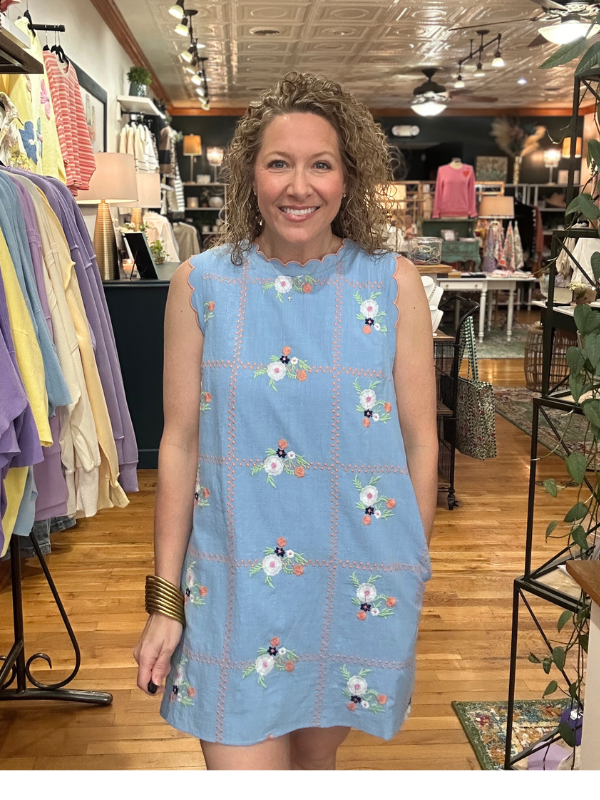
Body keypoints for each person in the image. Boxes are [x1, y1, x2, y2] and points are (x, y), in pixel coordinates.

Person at [134, 72, 437, 771]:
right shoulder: (202, 284)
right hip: (232, 584)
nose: (298, 187)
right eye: (279, 163)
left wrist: (409, 566)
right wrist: (164, 599)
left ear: (347, 177)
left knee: (314, 768)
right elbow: (177, 445)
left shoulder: (392, 285)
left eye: (320, 164)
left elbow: (421, 439)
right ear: (250, 175)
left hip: (354, 580)